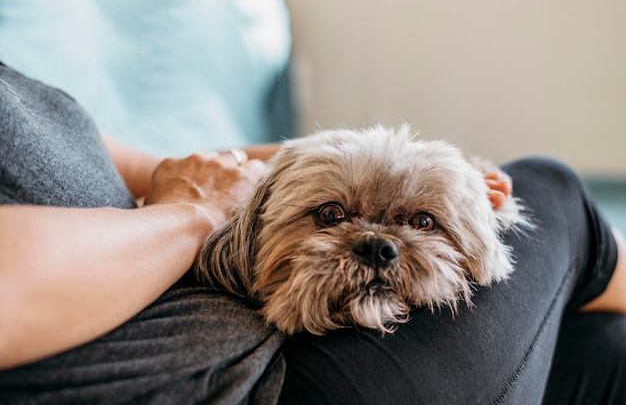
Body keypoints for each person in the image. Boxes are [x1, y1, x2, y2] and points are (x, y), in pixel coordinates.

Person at [0, 62, 624, 404]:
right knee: (555, 190)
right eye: (332, 218)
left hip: (270, 358)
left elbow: (172, 169)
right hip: (254, 389)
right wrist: (188, 215)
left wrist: (440, 174)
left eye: (419, 224)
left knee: (599, 351)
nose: (379, 243)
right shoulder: (201, 224)